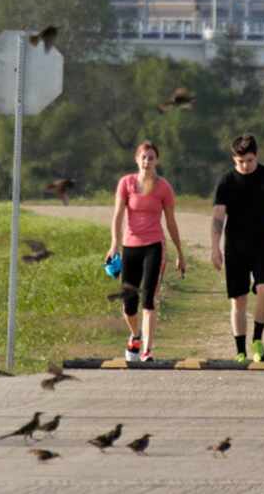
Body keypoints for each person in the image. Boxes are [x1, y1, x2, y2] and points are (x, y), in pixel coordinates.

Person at [211, 134, 264, 364]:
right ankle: (240, 350)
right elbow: (218, 216)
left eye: (249, 160)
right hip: (235, 248)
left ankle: (257, 340)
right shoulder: (226, 181)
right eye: (240, 162)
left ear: (256, 156)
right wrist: (214, 248)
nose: (245, 166)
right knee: (238, 301)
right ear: (233, 159)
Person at [105, 140, 186, 363]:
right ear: (136, 159)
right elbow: (118, 215)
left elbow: (171, 222)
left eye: (151, 157)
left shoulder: (163, 187)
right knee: (129, 303)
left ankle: (148, 351)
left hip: (154, 246)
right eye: (143, 157)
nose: (147, 161)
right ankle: (135, 335)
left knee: (149, 298)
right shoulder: (126, 183)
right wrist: (114, 244)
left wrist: (179, 252)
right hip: (130, 246)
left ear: (156, 160)